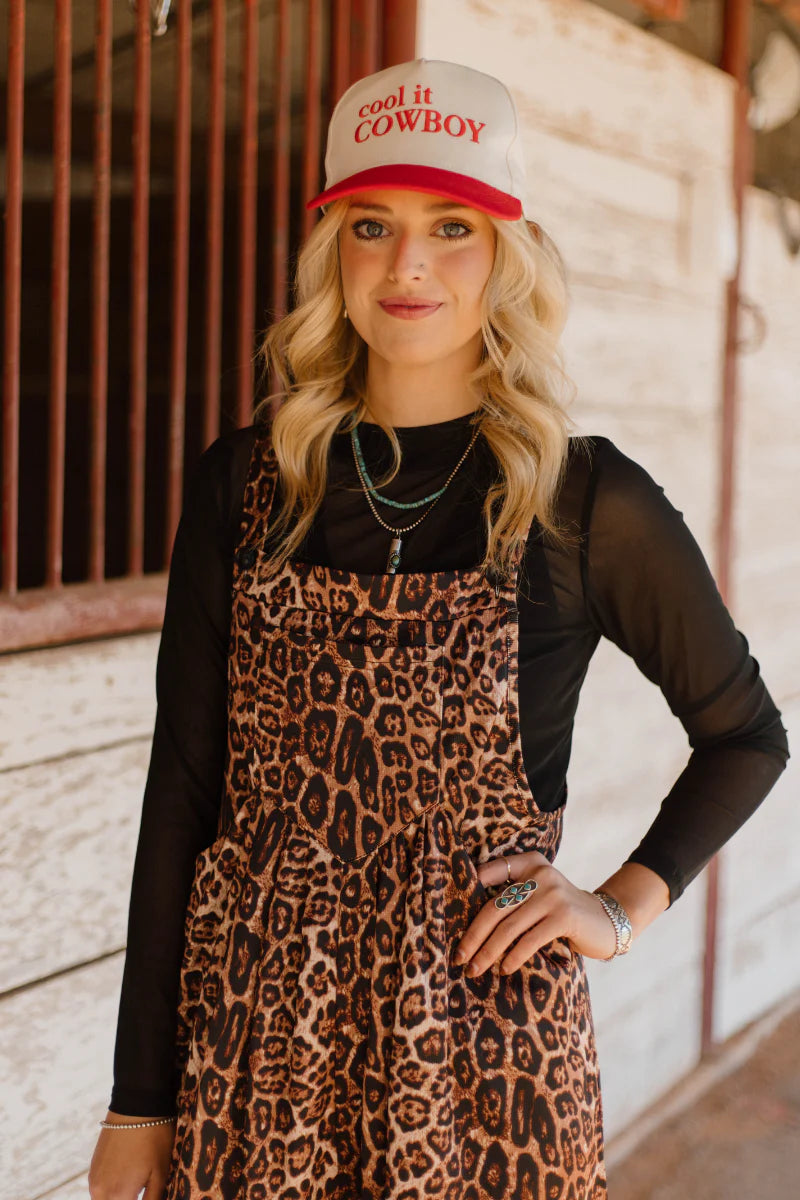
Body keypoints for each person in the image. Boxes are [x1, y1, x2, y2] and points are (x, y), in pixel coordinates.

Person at [88, 58, 789, 1200]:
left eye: (451, 227)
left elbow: (745, 736)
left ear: (507, 253)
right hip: (256, 1044)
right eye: (371, 225)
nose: (406, 264)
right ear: (334, 253)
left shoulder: (579, 500)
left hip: (485, 1061)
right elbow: (182, 795)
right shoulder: (248, 485)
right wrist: (139, 1098)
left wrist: (615, 910)